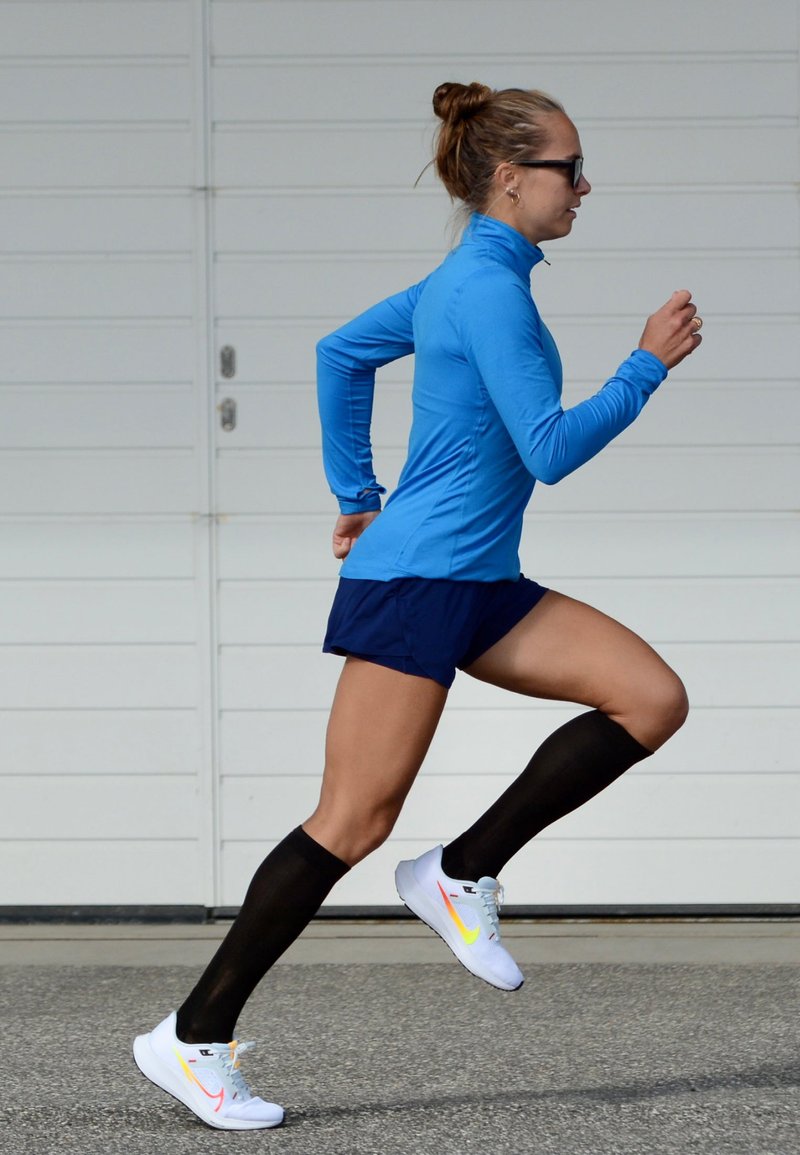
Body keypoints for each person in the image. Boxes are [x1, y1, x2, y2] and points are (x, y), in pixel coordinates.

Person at [133, 80, 702, 1131]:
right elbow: (549, 449)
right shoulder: (483, 290)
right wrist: (645, 365)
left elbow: (340, 352)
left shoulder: (470, 278)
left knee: (650, 699)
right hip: (418, 584)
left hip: (478, 579)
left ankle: (461, 870)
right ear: (509, 178)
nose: (583, 186)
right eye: (569, 168)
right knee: (351, 818)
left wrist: (357, 492)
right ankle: (194, 1034)